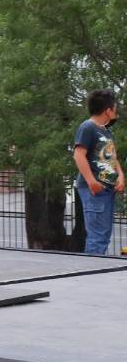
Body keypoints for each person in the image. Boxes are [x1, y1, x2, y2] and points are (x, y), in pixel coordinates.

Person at [73, 89, 124, 255]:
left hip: (106, 189)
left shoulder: (105, 130)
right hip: (94, 189)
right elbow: (78, 155)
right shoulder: (87, 127)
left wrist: (121, 175)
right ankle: (92, 275)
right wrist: (91, 182)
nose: (116, 111)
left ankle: (95, 272)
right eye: (114, 108)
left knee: (103, 235)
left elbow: (112, 157)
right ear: (108, 111)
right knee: (97, 236)